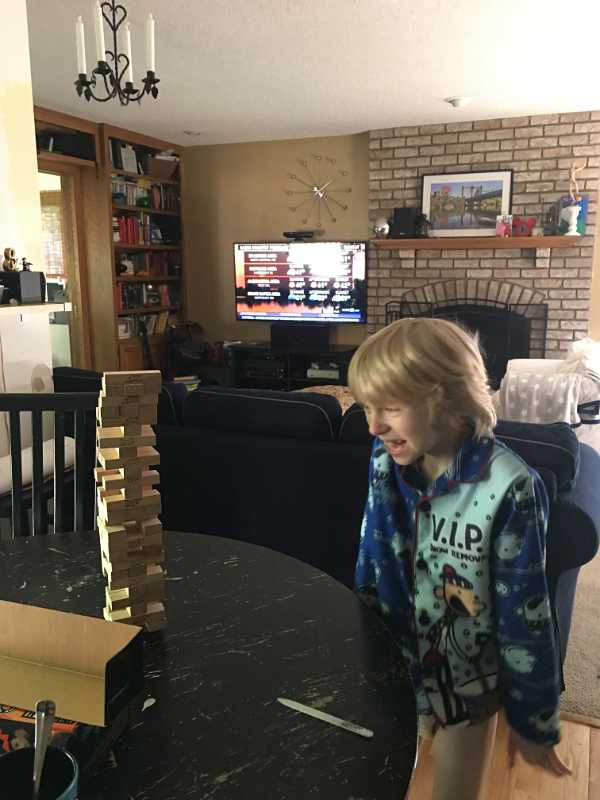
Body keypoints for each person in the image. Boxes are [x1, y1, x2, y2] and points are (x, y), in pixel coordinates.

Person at [348, 317, 571, 800]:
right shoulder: (384, 459)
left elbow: (525, 611)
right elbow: (374, 557)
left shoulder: (512, 487)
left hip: (467, 680)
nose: (373, 425)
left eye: (390, 407)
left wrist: (534, 720)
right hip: (393, 660)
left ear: (446, 399)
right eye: (366, 407)